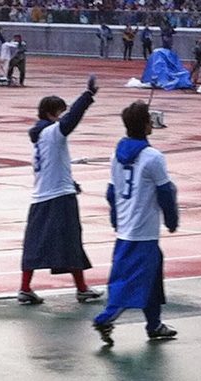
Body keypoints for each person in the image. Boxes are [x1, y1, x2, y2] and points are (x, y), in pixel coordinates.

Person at [93, 101, 179, 345]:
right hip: (144, 232)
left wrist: (115, 219)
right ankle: (106, 318)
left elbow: (111, 192)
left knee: (151, 276)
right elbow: (166, 192)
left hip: (126, 229)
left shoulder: (115, 156)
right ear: (145, 125)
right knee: (131, 281)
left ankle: (155, 324)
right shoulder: (153, 157)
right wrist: (171, 220)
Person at [18, 75, 103, 305]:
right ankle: (82, 288)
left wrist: (69, 181)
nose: (61, 118)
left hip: (40, 197)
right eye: (59, 113)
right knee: (72, 242)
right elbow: (72, 119)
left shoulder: (38, 138)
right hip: (60, 197)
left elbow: (50, 165)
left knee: (34, 245)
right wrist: (88, 95)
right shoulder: (53, 132)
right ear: (51, 114)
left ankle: (25, 287)